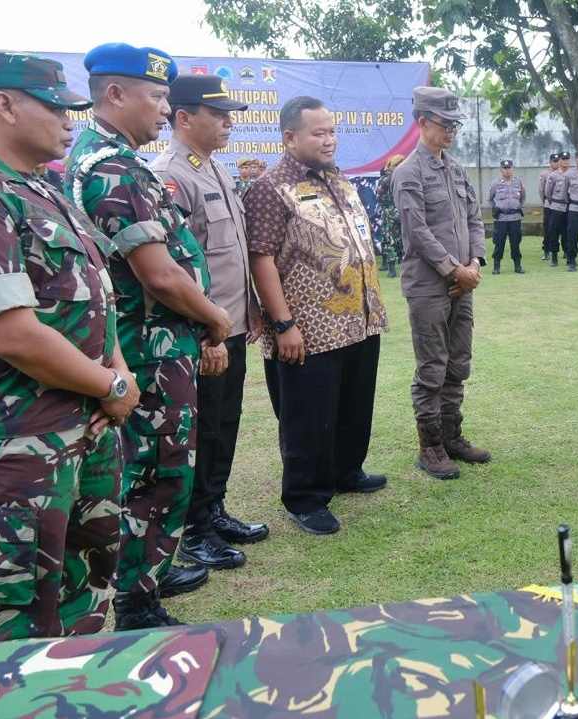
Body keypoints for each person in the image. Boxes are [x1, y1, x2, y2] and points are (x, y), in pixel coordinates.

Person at [0, 50, 137, 649]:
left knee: (83, 590)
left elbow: (94, 296)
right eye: (56, 107)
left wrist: (115, 371)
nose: (69, 121)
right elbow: (13, 334)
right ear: (5, 105)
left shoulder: (43, 189)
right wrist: (113, 385)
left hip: (84, 429)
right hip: (16, 445)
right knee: (8, 615)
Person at [67, 43, 230, 629]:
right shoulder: (113, 169)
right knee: (158, 473)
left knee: (149, 470)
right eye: (157, 97)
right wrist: (214, 318)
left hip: (152, 344)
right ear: (115, 95)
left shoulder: (109, 159)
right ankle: (137, 602)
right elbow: (159, 275)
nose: (165, 109)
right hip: (150, 348)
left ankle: (147, 575)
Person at [244, 96, 389, 536]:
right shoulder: (270, 188)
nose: (329, 140)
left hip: (359, 320)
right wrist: (283, 323)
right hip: (308, 328)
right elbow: (261, 258)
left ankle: (347, 470)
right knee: (308, 416)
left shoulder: (337, 179)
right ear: (290, 137)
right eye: (319, 133)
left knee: (353, 405)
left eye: (332, 131)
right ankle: (305, 498)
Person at [151, 74, 268, 571]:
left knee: (224, 425)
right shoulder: (170, 176)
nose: (227, 123)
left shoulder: (214, 168)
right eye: (217, 114)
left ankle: (214, 510)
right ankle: (195, 530)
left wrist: (252, 304)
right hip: (206, 333)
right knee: (201, 432)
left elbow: (229, 252)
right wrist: (206, 334)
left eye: (229, 115)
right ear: (183, 117)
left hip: (233, 323)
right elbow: (176, 268)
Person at [392, 86, 490, 480]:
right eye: (443, 123)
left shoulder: (456, 169)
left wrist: (475, 263)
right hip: (430, 285)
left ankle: (451, 436)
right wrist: (455, 271)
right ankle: (430, 446)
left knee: (458, 362)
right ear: (422, 122)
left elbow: (475, 220)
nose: (450, 131)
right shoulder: (408, 173)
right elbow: (417, 232)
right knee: (433, 367)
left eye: (454, 125)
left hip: (463, 282)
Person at [488, 159, 525, 274]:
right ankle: (496, 266)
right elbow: (490, 199)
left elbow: (523, 198)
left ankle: (518, 266)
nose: (507, 170)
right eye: (505, 168)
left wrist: (517, 206)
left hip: (515, 218)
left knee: (515, 243)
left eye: (509, 168)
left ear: (512, 169)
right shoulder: (495, 183)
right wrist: (496, 209)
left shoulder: (518, 182)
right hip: (501, 218)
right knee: (499, 243)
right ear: (501, 170)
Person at [376, 154, 406, 277]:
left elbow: (379, 196)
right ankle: (400, 266)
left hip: (389, 212)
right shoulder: (401, 177)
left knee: (389, 240)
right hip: (399, 211)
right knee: (399, 239)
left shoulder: (386, 179)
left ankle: (391, 270)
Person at [543, 151, 570, 266]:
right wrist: (554, 203)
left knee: (568, 232)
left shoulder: (573, 174)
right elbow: (547, 193)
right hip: (556, 207)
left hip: (569, 207)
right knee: (553, 232)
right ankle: (554, 256)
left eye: (567, 159)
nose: (565, 161)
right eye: (563, 159)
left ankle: (568, 254)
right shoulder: (553, 175)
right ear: (559, 161)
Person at [539, 153, 558, 260]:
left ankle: (564, 251)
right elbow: (541, 190)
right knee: (548, 229)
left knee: (561, 229)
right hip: (549, 205)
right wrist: (545, 201)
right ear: (550, 162)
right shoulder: (545, 174)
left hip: (561, 205)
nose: (556, 163)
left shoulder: (563, 173)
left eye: (557, 161)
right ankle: (546, 251)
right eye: (554, 161)